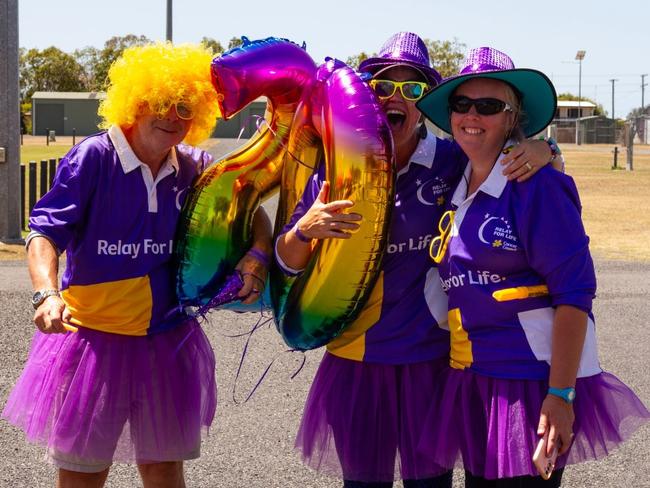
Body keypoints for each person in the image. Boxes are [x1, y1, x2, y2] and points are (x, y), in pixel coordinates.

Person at [275, 33, 559, 488]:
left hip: (430, 362)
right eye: (385, 86)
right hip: (356, 361)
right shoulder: (339, 166)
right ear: (368, 96)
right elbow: (286, 264)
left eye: (413, 90)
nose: (396, 98)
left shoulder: (451, 160)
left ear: (427, 102)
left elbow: (506, 154)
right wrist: (303, 231)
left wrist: (548, 150)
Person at [2, 42, 272, 488]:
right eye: (160, 103)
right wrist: (47, 294)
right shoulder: (93, 157)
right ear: (134, 102)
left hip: (166, 341)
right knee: (82, 475)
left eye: (185, 107)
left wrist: (258, 256)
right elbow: (45, 233)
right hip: (92, 341)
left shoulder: (195, 168)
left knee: (164, 471)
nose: (172, 117)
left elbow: (251, 207)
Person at [416, 46, 650, 487]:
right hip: (473, 380)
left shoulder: (538, 186)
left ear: (512, 116)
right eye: (461, 104)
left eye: (488, 106)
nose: (471, 115)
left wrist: (561, 394)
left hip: (527, 385)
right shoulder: (457, 180)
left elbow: (575, 293)